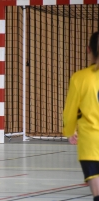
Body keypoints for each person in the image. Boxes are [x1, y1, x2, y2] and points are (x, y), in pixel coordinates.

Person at [63, 31, 99, 201]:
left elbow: (70, 112)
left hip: (90, 143)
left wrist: (70, 131)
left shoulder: (80, 78)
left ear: (88, 50)